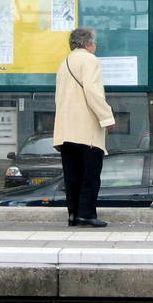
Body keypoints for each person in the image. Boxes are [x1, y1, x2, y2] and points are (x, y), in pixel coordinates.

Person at [53, 27, 115, 228]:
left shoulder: (64, 63)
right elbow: (93, 91)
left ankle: (73, 214)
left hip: (66, 130)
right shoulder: (90, 60)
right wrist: (107, 117)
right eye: (94, 42)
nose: (95, 46)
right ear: (88, 43)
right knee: (90, 175)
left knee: (72, 175)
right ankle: (87, 214)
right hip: (85, 129)